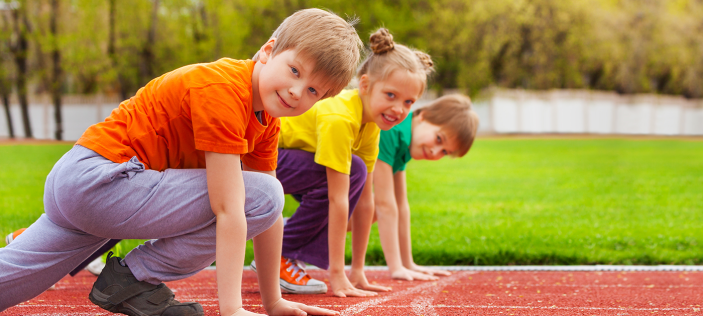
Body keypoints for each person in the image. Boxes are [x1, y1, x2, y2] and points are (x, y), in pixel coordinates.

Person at [0, 8, 362, 316]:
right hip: (102, 181)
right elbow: (232, 209)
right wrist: (233, 309)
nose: (297, 91)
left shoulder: (266, 119)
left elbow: (268, 221)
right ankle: (134, 277)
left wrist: (273, 301)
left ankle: (131, 279)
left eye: (314, 91)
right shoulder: (224, 90)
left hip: (86, 184)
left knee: (12, 280)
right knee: (263, 193)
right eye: (295, 71)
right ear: (268, 51)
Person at [259, 28, 433, 297]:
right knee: (353, 173)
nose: (399, 109)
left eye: (408, 102)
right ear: (364, 85)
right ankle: (278, 254)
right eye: (390, 95)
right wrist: (337, 277)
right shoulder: (341, 118)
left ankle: (282, 245)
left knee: (358, 175)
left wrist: (358, 271)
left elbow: (365, 202)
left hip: (289, 162)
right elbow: (338, 200)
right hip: (260, 158)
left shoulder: (372, 124)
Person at [372, 94, 479, 281]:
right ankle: (302, 250)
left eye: (444, 152)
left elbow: (401, 205)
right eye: (439, 139)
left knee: (376, 207)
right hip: (318, 176)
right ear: (424, 116)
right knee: (372, 207)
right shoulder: (392, 130)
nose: (435, 152)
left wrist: (408, 263)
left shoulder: (406, 141)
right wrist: (396, 268)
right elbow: (385, 204)